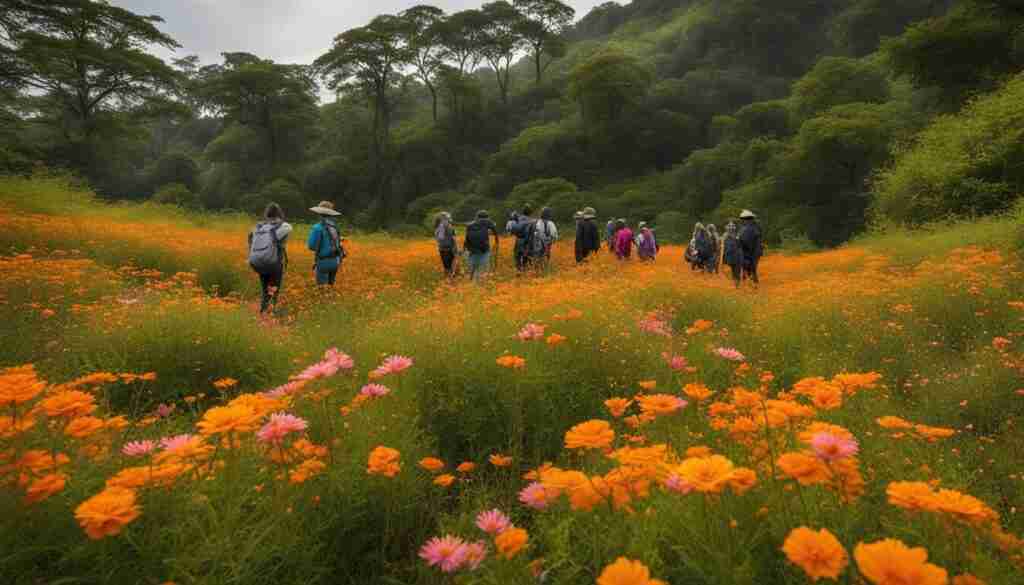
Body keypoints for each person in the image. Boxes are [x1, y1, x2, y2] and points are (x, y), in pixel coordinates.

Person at [248, 202, 292, 314]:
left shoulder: (258, 227)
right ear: (279, 214)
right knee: (273, 291)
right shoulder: (284, 226)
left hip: (258, 262)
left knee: (265, 290)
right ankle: (268, 316)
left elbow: (250, 237)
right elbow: (289, 229)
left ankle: (263, 313)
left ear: (267, 214)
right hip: (273, 263)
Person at [307, 201, 343, 286]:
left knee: (322, 290)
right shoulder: (334, 226)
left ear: (319, 213)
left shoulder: (317, 227)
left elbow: (311, 246)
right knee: (330, 287)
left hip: (323, 261)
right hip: (335, 261)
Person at [463, 209, 499, 282]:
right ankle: (480, 282)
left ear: (477, 217)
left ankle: (471, 280)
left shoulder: (470, 225)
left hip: (472, 249)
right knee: (483, 267)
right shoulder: (487, 221)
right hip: (484, 249)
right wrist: (497, 241)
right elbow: (495, 231)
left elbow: (466, 239)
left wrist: (465, 248)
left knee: (473, 266)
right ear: (487, 217)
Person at [738, 209, 763, 287]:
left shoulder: (747, 228)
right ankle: (753, 283)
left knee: (750, 268)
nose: (742, 221)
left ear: (745, 219)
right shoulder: (756, 226)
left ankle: (753, 284)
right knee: (753, 268)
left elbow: (745, 241)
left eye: (742, 219)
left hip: (750, 251)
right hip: (756, 251)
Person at [510, 205, 537, 271]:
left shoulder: (519, 219)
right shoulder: (533, 221)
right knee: (527, 257)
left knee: (517, 257)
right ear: (531, 212)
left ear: (523, 211)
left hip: (519, 240)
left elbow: (513, 229)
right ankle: (525, 270)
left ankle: (518, 270)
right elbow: (534, 233)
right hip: (529, 241)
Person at [434, 211, 458, 278]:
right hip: (450, 248)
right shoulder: (446, 225)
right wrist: (456, 248)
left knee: (446, 266)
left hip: (441, 248)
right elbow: (453, 238)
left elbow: (438, 238)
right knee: (451, 266)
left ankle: (448, 279)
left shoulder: (437, 226)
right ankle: (451, 279)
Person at [722, 221, 743, 288]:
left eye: (732, 227)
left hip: (737, 255)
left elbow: (740, 244)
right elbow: (723, 246)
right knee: (734, 269)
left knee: (737, 270)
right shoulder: (725, 236)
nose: (731, 228)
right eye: (729, 227)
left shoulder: (737, 235)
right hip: (730, 256)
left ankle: (737, 283)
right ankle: (736, 282)